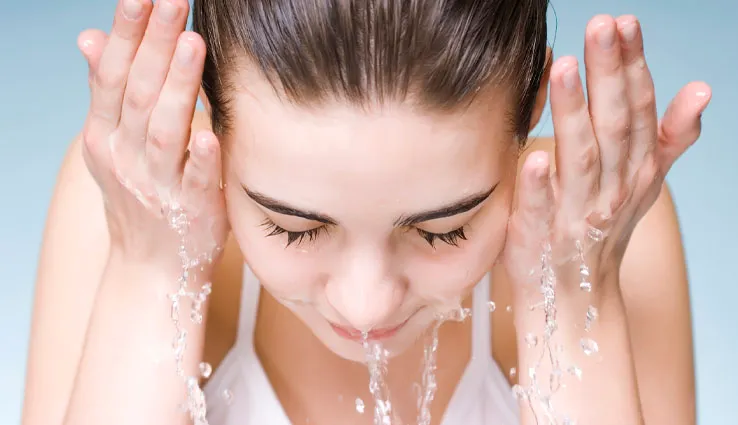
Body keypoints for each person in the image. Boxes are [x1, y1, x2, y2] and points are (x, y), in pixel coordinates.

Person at [21, 0, 712, 424]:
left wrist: (569, 285)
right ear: (210, 121)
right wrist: (150, 267)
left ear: (528, 116)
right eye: (293, 226)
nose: (365, 302)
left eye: (445, 229)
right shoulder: (130, 202)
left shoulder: (596, 222)